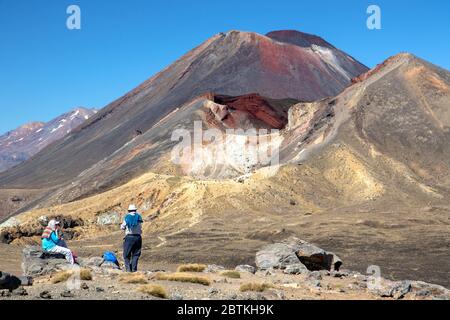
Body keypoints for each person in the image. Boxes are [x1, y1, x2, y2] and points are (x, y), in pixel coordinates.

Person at [121, 204, 143, 272]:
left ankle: (128, 270)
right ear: (135, 210)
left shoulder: (127, 217)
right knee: (136, 254)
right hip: (138, 237)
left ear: (129, 210)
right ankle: (134, 269)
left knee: (126, 254)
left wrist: (123, 227)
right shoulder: (139, 217)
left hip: (129, 237)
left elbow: (122, 227)